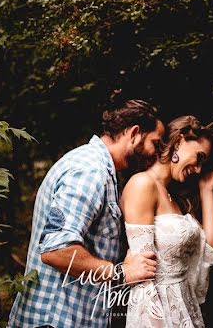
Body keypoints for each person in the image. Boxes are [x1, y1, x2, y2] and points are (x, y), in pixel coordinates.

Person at [9, 99, 167, 328]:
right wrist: (121, 272)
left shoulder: (100, 169)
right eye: (155, 142)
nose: (156, 152)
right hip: (57, 321)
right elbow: (57, 251)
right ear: (134, 133)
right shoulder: (90, 171)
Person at [120, 116, 213, 328]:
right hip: (158, 315)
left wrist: (207, 190)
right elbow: (144, 279)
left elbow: (206, 251)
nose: (199, 169)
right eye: (199, 157)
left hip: (184, 309)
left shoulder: (172, 196)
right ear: (180, 141)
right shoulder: (143, 184)